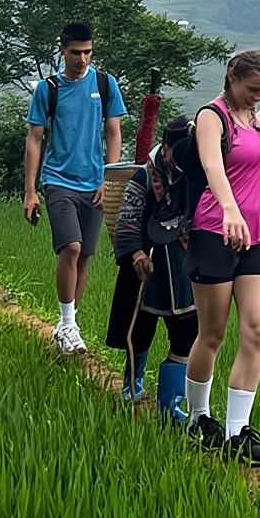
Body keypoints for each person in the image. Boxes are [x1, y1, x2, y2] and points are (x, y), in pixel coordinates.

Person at [184, 49, 260, 467]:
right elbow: (214, 167)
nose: (257, 97)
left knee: (256, 330)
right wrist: (229, 210)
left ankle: (237, 432)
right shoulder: (212, 116)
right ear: (232, 77)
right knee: (213, 333)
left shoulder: (250, 117)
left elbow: (247, 148)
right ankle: (198, 417)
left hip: (258, 234)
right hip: (215, 232)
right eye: (252, 89)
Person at [24, 22, 126, 354]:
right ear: (62, 51)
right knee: (71, 247)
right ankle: (68, 324)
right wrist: (30, 190)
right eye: (75, 53)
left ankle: (68, 326)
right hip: (58, 180)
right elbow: (35, 139)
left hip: (94, 183)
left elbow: (113, 132)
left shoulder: (105, 84)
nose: (82, 59)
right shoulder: (48, 89)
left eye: (87, 52)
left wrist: (109, 177)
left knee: (84, 256)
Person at [106, 116, 198, 421]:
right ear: (166, 146)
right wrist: (136, 255)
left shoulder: (197, 174)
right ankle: (132, 387)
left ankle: (171, 405)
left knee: (187, 334)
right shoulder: (145, 177)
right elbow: (127, 220)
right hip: (146, 269)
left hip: (185, 269)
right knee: (139, 331)